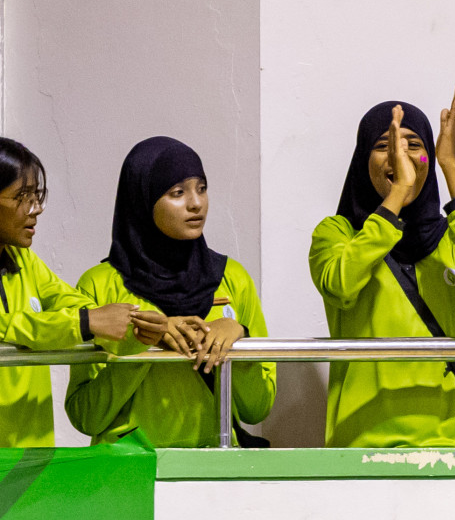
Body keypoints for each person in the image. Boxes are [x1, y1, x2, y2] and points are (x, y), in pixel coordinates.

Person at [310, 81, 455, 447]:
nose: (398, 157)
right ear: (362, 159)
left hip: (452, 444)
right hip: (362, 443)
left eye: (413, 146)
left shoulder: (453, 236)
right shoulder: (336, 233)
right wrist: (398, 194)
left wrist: (448, 164)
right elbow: (341, 284)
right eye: (383, 146)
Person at [65, 136, 275, 445]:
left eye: (201, 188)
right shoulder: (99, 284)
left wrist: (238, 339)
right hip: (128, 475)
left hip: (212, 470)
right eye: (177, 192)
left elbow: (257, 409)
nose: (196, 203)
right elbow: (86, 416)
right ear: (142, 200)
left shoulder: (232, 277)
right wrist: (142, 344)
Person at [0, 137, 139, 447]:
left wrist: (141, 319)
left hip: (29, 458)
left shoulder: (23, 260)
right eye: (23, 196)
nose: (36, 209)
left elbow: (73, 302)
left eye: (37, 196)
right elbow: (7, 325)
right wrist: (84, 323)